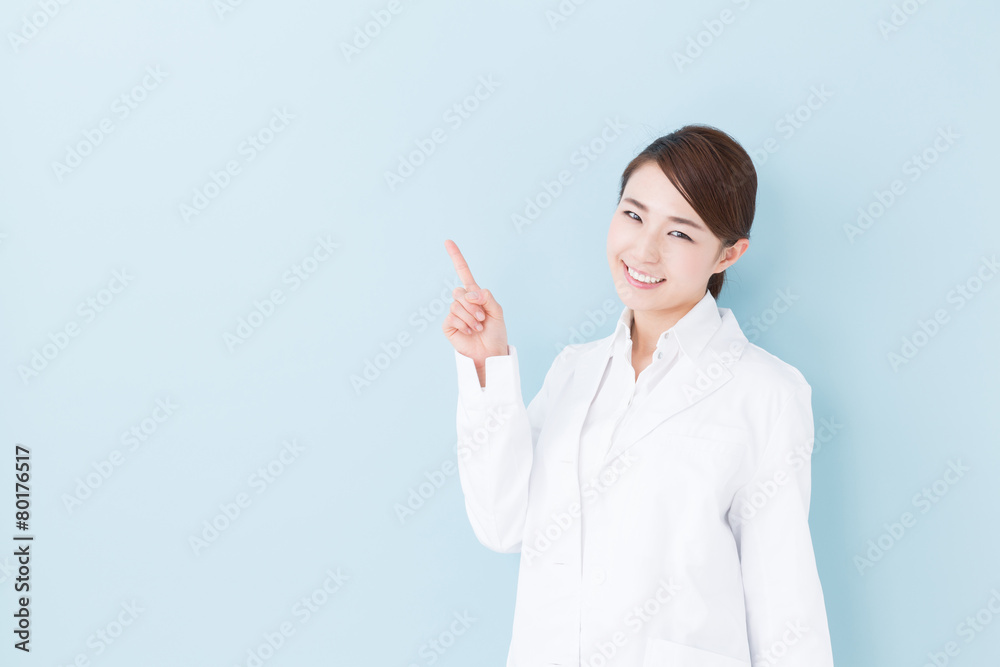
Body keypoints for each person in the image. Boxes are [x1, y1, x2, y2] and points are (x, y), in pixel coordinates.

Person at [442, 125, 835, 667]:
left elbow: (786, 608)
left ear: (728, 253)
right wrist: (487, 363)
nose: (643, 251)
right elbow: (502, 525)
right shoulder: (574, 373)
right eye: (633, 214)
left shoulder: (765, 393)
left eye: (680, 233)